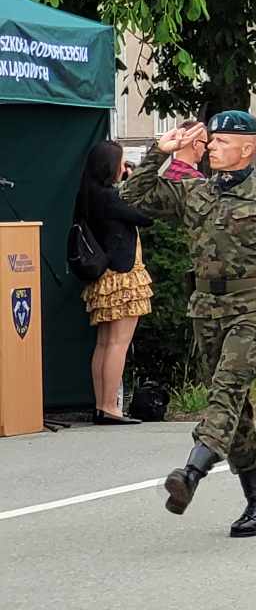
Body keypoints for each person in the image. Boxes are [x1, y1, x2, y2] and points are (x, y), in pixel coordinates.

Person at [124, 112, 256, 536]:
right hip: (206, 309)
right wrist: (161, 150)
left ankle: (190, 474)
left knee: (227, 391)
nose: (211, 147)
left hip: (252, 308)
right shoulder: (196, 193)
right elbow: (133, 196)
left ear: (248, 148)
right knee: (235, 407)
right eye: (211, 141)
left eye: (222, 141)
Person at [76, 141, 153, 424]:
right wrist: (134, 181)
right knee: (118, 343)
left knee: (104, 344)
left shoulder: (88, 193)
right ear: (111, 165)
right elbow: (144, 218)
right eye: (122, 162)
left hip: (103, 276)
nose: (125, 167)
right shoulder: (109, 197)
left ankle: (101, 404)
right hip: (122, 275)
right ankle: (110, 407)